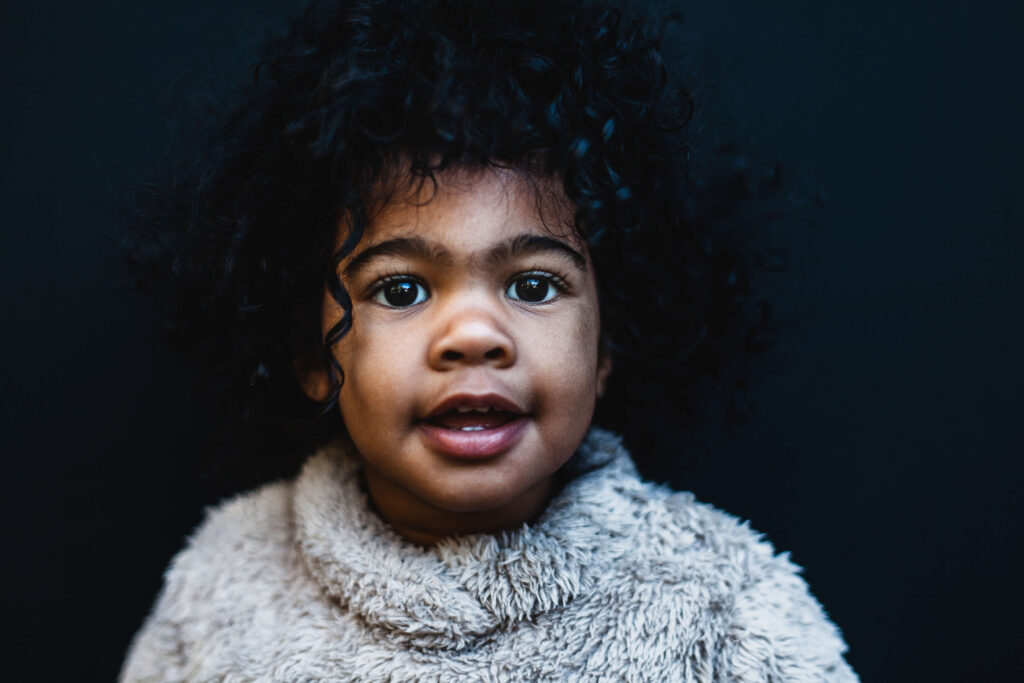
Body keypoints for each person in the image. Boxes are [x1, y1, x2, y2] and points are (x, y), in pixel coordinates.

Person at [120, 0, 856, 679]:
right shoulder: (221, 593)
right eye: (400, 289)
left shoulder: (729, 610)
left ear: (608, 341)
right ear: (312, 352)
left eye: (533, 285)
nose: (473, 336)